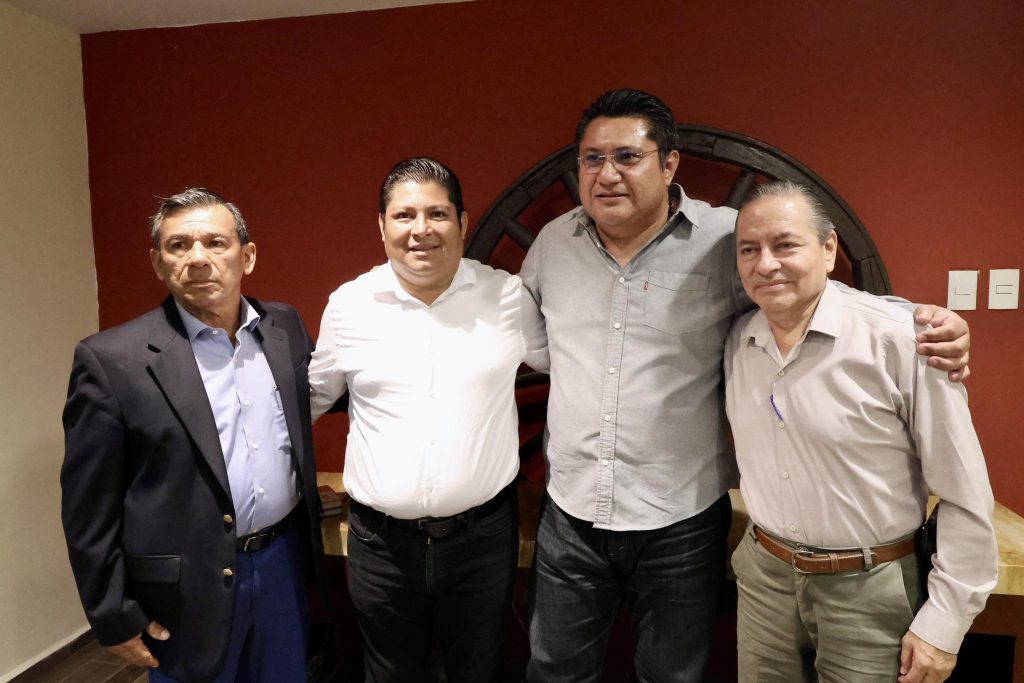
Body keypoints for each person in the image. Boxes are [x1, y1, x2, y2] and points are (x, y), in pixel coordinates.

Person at [519, 88, 972, 682]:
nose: (607, 174)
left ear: (669, 163)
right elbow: (528, 338)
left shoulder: (727, 238)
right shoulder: (553, 244)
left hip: (680, 517)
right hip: (571, 513)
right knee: (553, 670)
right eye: (592, 159)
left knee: (673, 675)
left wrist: (920, 321)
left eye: (627, 156)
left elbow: (802, 288)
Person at [724, 181, 997, 683]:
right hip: (765, 581)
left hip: (870, 589)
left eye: (785, 244)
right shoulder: (739, 340)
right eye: (749, 250)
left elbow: (965, 492)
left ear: (828, 249)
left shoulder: (904, 340)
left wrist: (945, 623)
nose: (766, 264)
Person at [61, 188, 324, 683]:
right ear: (158, 263)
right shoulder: (113, 361)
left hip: (284, 564)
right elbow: (87, 506)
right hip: (186, 589)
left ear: (247, 256)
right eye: (178, 245)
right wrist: (111, 611)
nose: (198, 258)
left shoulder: (284, 327)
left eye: (215, 243)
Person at [308, 158, 548, 682]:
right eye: (404, 215)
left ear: (462, 222)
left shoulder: (508, 298)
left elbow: (573, 366)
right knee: (389, 675)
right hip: (381, 546)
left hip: (483, 538)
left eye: (437, 214)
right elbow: (310, 400)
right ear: (382, 226)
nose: (421, 229)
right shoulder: (349, 306)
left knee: (476, 672)